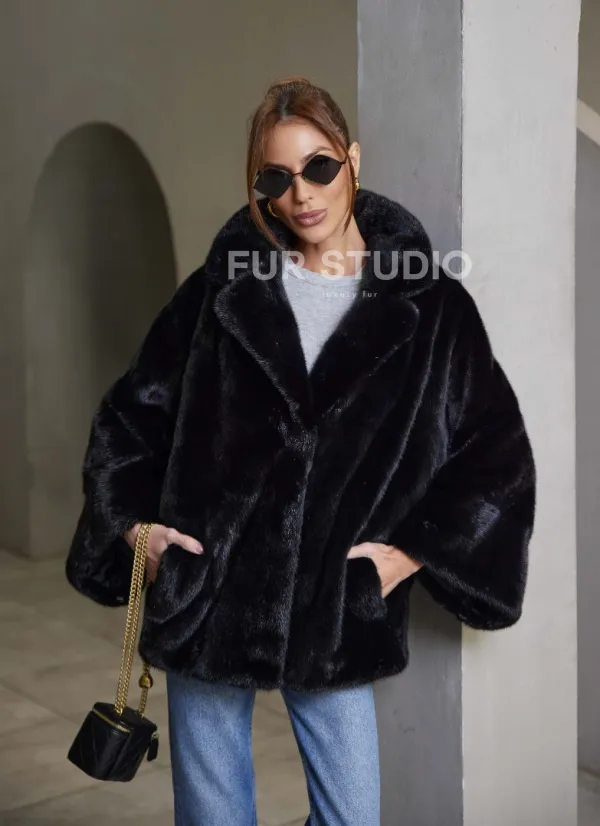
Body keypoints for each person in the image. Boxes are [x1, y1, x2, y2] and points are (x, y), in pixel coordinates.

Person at [65, 76, 536, 825]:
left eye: (319, 166)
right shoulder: (222, 293)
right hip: (207, 592)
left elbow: (495, 456)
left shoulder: (430, 305)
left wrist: (404, 557)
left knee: (351, 815)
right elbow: (128, 420)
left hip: (334, 604)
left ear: (353, 159)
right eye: (275, 179)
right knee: (213, 816)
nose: (301, 194)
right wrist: (136, 532)